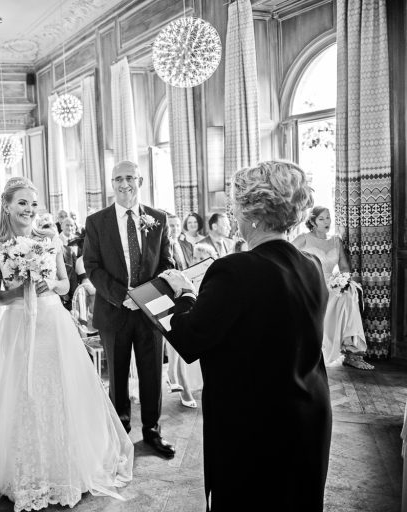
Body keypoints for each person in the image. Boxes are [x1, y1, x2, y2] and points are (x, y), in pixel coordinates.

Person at [161, 160, 332, 512]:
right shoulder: (311, 265)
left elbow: (191, 338)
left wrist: (179, 296)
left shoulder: (235, 269)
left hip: (255, 422)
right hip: (308, 411)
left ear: (252, 214)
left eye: (235, 206)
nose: (233, 214)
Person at [0, 177, 133, 510]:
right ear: (7, 205)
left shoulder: (50, 240)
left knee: (59, 392)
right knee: (23, 395)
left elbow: (64, 285)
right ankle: (26, 473)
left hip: (51, 324)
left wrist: (47, 284)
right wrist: (20, 289)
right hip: (18, 325)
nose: (29, 210)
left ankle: (67, 469)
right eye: (21, 203)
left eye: (33, 203)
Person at [82, 160, 176, 458]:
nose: (124, 184)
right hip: (114, 310)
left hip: (149, 311)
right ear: (112, 184)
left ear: (141, 180)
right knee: (118, 375)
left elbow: (167, 264)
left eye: (130, 178)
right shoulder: (97, 221)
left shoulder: (157, 218)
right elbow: (92, 266)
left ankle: (152, 431)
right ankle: (121, 432)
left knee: (152, 374)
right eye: (118, 179)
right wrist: (122, 295)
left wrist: (145, 296)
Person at [292, 206, 372, 370]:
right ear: (312, 222)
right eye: (321, 219)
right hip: (310, 283)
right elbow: (286, 257)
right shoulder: (303, 239)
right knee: (338, 297)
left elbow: (344, 267)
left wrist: (344, 281)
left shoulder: (335, 241)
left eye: (328, 217)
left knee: (349, 295)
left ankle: (351, 352)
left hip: (332, 284)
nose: (326, 221)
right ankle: (320, 349)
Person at [164, 214, 202, 408]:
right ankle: (176, 379)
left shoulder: (184, 244)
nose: (175, 228)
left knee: (180, 347)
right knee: (176, 343)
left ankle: (178, 379)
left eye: (177, 224)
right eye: (171, 225)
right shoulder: (165, 246)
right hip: (172, 297)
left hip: (186, 292)